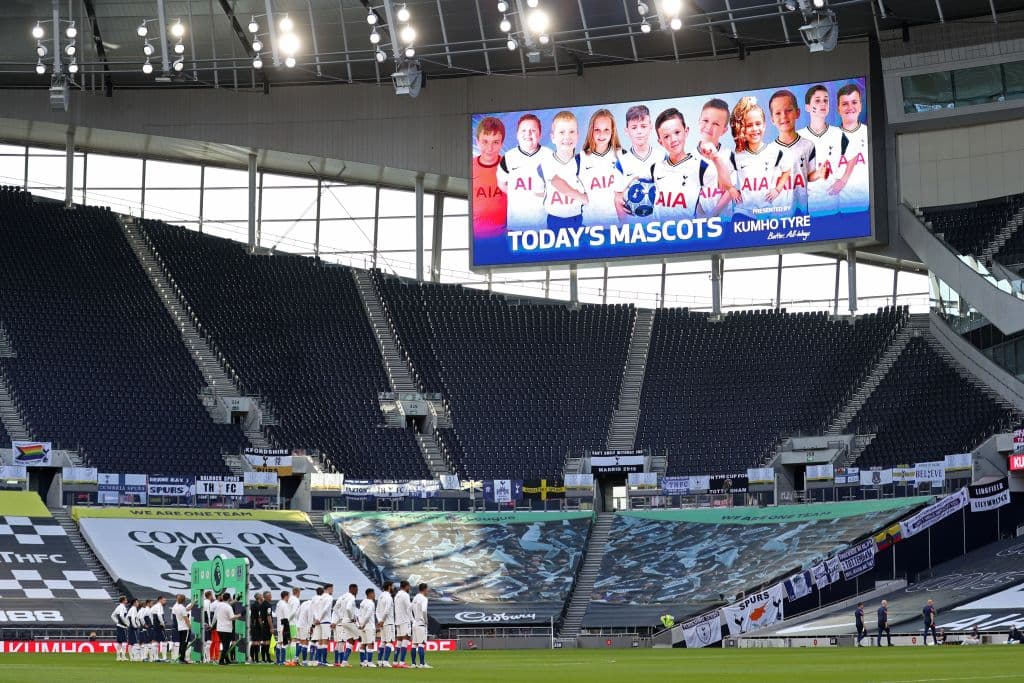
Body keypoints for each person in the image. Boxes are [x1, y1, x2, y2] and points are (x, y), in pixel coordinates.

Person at [767, 89, 818, 217]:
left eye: (788, 110)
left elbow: (811, 180)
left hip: (802, 214)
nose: (783, 116)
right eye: (778, 113)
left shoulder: (808, 146)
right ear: (772, 119)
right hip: (776, 217)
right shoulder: (768, 151)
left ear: (797, 113)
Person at [497, 114, 551, 231]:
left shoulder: (550, 156)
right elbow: (501, 184)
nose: (528, 134)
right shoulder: (508, 157)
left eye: (533, 130)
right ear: (517, 134)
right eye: (524, 130)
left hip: (543, 227)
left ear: (540, 135)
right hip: (515, 227)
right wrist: (518, 195)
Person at [797, 84, 842, 216]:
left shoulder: (838, 134)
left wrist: (842, 180)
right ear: (808, 107)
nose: (823, 104)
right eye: (817, 100)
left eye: (826, 100)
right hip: (808, 211)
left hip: (834, 207)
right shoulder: (798, 137)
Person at [650, 107, 701, 222]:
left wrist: (710, 216)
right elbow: (633, 177)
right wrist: (619, 194)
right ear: (660, 142)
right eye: (666, 136)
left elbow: (726, 187)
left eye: (677, 132)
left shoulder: (699, 166)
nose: (673, 139)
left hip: (686, 233)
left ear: (686, 131)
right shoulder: (655, 168)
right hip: (658, 233)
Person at [538, 110, 587, 230]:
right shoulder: (546, 162)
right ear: (553, 137)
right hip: (554, 220)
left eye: (572, 132)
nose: (567, 137)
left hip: (577, 218)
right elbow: (557, 182)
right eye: (562, 132)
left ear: (577, 136)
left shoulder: (583, 161)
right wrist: (583, 198)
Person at [579, 108, 626, 227]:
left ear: (612, 131)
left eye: (606, 130)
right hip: (589, 226)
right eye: (597, 130)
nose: (601, 134)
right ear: (591, 131)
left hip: (617, 226)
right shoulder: (580, 158)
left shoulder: (623, 156)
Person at [695, 98, 738, 218]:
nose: (708, 127)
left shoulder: (729, 156)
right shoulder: (690, 157)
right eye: (705, 121)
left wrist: (713, 215)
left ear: (724, 130)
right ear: (699, 121)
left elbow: (730, 190)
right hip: (699, 220)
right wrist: (701, 215)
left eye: (716, 124)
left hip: (723, 220)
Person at [834, 82, 869, 215]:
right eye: (845, 104)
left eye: (854, 102)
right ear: (838, 108)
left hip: (868, 209)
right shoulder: (830, 137)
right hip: (838, 210)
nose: (850, 107)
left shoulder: (869, 134)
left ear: (860, 106)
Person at [472, 116, 507, 240]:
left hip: (505, 240)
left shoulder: (511, 167)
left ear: (502, 143)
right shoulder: (469, 168)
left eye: (495, 142)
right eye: (485, 141)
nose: (489, 148)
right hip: (476, 241)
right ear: (477, 142)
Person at [618, 104, 658, 182]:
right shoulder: (621, 162)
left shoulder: (662, 157)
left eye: (643, 126)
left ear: (650, 127)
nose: (639, 131)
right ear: (627, 131)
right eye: (634, 127)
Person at [333, 583, 359, 668]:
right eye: (356, 590)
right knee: (361, 637)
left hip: (343, 621)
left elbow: (335, 608)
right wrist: (351, 617)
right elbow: (348, 608)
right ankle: (366, 661)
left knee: (350, 640)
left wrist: (340, 617)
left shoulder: (343, 597)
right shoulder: (351, 597)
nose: (357, 592)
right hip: (349, 621)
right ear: (352, 589)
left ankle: (344, 661)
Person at [215, 593, 241, 665]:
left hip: (219, 628)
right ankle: (221, 660)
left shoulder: (219, 605)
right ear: (229, 598)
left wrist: (235, 600)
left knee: (224, 645)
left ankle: (227, 660)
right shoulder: (228, 607)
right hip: (227, 629)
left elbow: (215, 616)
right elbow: (231, 617)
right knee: (226, 646)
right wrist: (239, 615)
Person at [411, 583, 432, 669]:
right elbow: (424, 610)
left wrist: (413, 619)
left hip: (415, 623)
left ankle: (413, 664)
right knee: (421, 644)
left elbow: (410, 609)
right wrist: (426, 621)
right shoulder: (424, 599)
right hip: (421, 623)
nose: (428, 591)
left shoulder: (415, 598)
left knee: (414, 644)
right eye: (427, 589)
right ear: (424, 589)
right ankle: (422, 664)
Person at [393, 580, 413, 669]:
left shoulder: (397, 595)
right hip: (405, 620)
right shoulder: (405, 595)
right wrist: (412, 619)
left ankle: (394, 662)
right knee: (406, 639)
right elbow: (409, 608)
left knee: (399, 641)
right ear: (406, 586)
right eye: (409, 586)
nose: (409, 588)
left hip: (398, 620)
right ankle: (402, 662)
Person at [376, 580, 396, 668]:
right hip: (388, 622)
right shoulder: (389, 597)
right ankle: (386, 661)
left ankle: (380, 661)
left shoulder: (380, 596)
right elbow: (387, 610)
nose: (394, 588)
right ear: (389, 587)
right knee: (389, 642)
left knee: (383, 642)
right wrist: (382, 620)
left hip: (382, 623)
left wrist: (379, 620)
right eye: (393, 586)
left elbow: (376, 610)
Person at [358, 588, 378, 668]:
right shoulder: (371, 603)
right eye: (373, 593)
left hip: (362, 626)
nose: (374, 595)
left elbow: (359, 614)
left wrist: (361, 623)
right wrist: (363, 623)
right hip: (369, 625)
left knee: (363, 643)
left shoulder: (362, 602)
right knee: (370, 643)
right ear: (370, 594)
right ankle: (369, 662)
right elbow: (369, 614)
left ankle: (363, 662)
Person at [293, 588, 314, 665]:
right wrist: (311, 627)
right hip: (305, 626)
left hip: (299, 625)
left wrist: (299, 621)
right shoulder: (312, 606)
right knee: (305, 643)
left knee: (300, 642)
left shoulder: (304, 603)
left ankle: (296, 659)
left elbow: (297, 614)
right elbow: (310, 618)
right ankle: (304, 661)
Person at [171, 594, 193, 664]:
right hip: (185, 628)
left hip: (180, 628)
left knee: (182, 643)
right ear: (184, 600)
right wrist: (190, 627)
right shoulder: (182, 608)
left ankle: (181, 658)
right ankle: (182, 659)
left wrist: (193, 603)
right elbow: (186, 619)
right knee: (184, 644)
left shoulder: (177, 607)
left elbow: (187, 609)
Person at [274, 590, 292, 665]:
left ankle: (278, 660)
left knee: (279, 643)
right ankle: (283, 660)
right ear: (286, 596)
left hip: (279, 625)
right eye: (288, 596)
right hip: (284, 626)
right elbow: (286, 617)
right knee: (284, 643)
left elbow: (277, 615)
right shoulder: (284, 605)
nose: (289, 598)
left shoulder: (278, 604)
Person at [111, 596, 129, 662]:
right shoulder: (123, 607)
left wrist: (117, 622)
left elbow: (112, 615)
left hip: (118, 626)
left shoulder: (118, 607)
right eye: (126, 599)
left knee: (119, 642)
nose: (127, 600)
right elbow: (121, 616)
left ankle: (118, 657)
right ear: (123, 600)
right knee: (124, 641)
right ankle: (123, 656)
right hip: (122, 626)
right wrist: (126, 623)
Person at [201, 590, 216, 663]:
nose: (212, 596)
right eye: (212, 595)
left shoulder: (203, 602)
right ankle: (207, 658)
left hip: (202, 623)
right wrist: (210, 624)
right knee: (208, 641)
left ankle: (205, 659)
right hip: (206, 623)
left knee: (205, 642)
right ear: (210, 596)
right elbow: (208, 614)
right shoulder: (208, 603)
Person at [153, 595, 169, 661]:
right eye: (164, 600)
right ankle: (164, 657)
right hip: (159, 625)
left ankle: (156, 658)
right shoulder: (159, 606)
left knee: (156, 641)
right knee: (165, 641)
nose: (165, 602)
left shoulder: (155, 606)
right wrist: (162, 623)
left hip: (155, 625)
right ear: (160, 600)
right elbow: (159, 615)